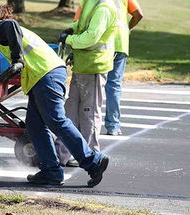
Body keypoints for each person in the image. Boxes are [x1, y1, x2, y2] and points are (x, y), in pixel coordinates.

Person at [0, 3, 109, 187]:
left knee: (56, 121)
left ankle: (93, 161)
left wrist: (17, 59)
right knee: (35, 126)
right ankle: (51, 171)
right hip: (43, 75)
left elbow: (11, 25)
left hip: (45, 75)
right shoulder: (3, 34)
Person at [56, 0, 117, 166]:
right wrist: (71, 29)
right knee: (71, 111)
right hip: (83, 65)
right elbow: (82, 26)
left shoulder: (104, 8)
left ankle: (91, 156)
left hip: (94, 67)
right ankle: (63, 154)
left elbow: (91, 37)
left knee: (89, 113)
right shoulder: (91, 3)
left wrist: (69, 39)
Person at [105, 0, 143, 136]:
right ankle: (113, 126)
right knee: (113, 85)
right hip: (120, 42)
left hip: (100, 43)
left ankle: (88, 124)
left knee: (93, 84)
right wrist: (127, 29)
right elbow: (138, 14)